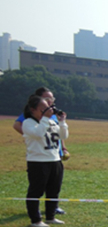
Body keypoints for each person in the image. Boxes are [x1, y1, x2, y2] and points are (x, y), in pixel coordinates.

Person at [13, 87, 68, 215]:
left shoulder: (51, 115)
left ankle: (52, 211)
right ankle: (35, 217)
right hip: (39, 158)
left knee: (54, 187)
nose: (50, 101)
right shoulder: (32, 115)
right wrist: (30, 138)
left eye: (52, 98)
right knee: (37, 188)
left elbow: (59, 134)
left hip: (54, 155)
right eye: (47, 98)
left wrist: (63, 147)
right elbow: (20, 126)